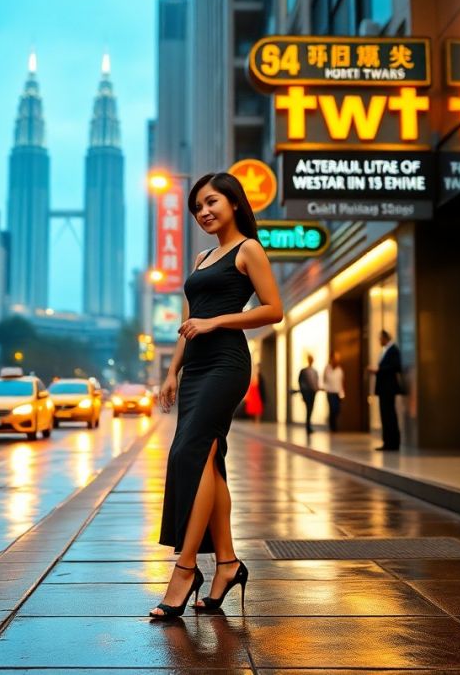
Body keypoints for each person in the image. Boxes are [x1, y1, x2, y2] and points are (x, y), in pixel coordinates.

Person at [151, 172, 283, 619]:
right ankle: (227, 564)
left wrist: (217, 321)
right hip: (195, 369)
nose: (203, 212)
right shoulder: (202, 256)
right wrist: (172, 371)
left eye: (211, 202)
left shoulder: (249, 250)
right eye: (197, 208)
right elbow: (188, 321)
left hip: (226, 363)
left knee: (189, 453)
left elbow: (274, 310)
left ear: (234, 203)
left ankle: (186, 568)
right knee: (210, 462)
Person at [368, 330, 402, 451]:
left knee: (389, 415)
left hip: (388, 388)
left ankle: (392, 443)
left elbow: (395, 367)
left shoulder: (393, 350)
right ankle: (387, 441)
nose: (379, 341)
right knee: (385, 415)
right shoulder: (386, 350)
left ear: (385, 338)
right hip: (384, 389)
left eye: (380, 338)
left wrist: (378, 370)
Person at [322, 351, 345, 432]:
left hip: (337, 392)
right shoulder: (327, 368)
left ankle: (334, 426)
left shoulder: (339, 370)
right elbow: (324, 380)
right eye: (335, 357)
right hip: (330, 392)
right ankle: (333, 427)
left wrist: (342, 393)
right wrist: (324, 388)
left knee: (337, 409)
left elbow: (341, 382)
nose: (337, 359)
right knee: (333, 408)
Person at [297, 354, 319, 433]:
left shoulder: (314, 371)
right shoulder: (304, 371)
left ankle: (308, 425)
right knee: (308, 408)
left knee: (310, 408)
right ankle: (308, 426)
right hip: (307, 393)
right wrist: (303, 392)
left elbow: (316, 382)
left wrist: (316, 389)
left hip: (312, 392)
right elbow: (300, 382)